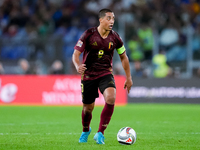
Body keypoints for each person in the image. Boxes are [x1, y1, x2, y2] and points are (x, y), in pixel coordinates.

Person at [72, 8, 133, 144]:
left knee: (111, 98)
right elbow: (76, 54)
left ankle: (100, 133)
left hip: (105, 73)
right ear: (101, 20)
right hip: (88, 75)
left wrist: (128, 77)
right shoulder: (88, 34)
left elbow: (124, 57)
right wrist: (77, 66)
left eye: (113, 19)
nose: (112, 21)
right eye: (109, 18)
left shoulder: (116, 37)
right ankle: (86, 130)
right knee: (88, 108)